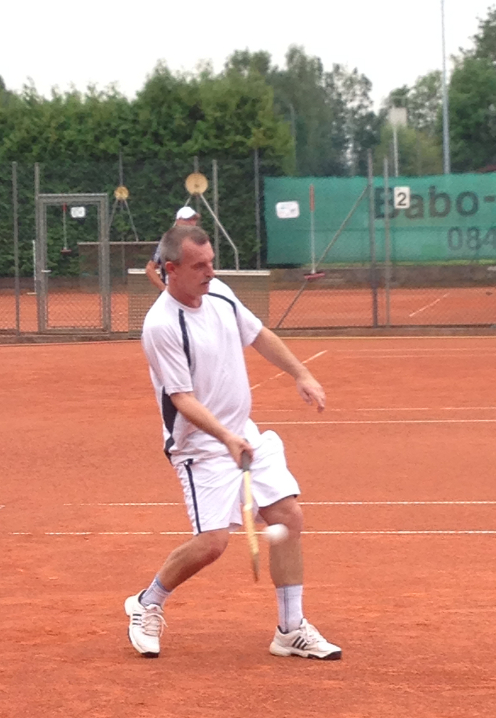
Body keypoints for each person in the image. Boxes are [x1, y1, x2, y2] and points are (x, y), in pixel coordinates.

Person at [125, 224, 341, 661]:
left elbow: (258, 335)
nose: (211, 272)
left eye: (212, 263)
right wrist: (224, 437)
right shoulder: (162, 326)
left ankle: (290, 629)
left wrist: (301, 373)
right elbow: (182, 398)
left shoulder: (220, 294)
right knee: (212, 544)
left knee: (288, 517)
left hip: (243, 432)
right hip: (199, 448)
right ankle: (148, 601)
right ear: (171, 269)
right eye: (199, 266)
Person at [144, 206, 201, 292]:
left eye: (194, 219)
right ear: (178, 221)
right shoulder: (168, 241)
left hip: (192, 292)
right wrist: (165, 290)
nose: (191, 222)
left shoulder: (199, 241)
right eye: (187, 219)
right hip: (172, 292)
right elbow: (150, 269)